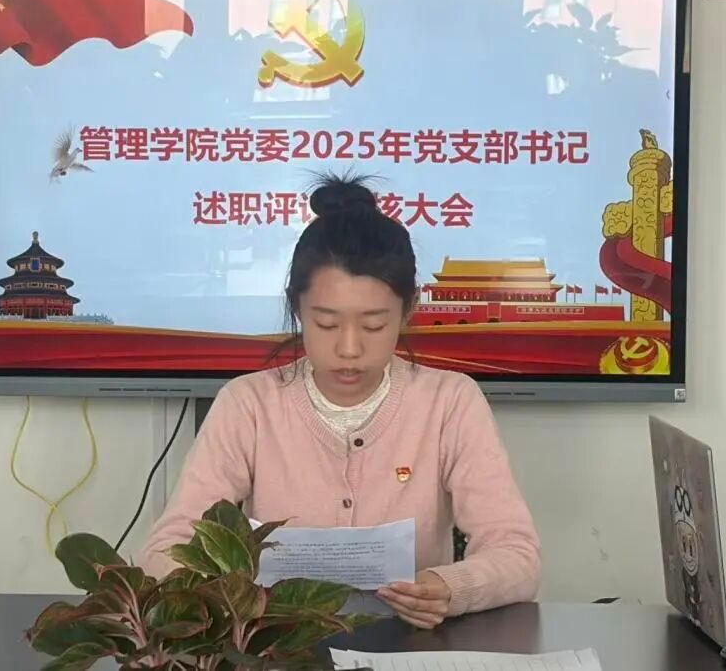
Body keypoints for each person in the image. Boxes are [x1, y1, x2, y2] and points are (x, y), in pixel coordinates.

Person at [139, 174, 540, 628]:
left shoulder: (449, 402)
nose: (349, 349)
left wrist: (450, 587)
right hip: (273, 647)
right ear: (297, 309)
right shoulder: (248, 404)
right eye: (326, 324)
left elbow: (517, 554)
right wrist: (224, 595)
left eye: (373, 325)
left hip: (410, 647)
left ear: (408, 310)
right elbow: (168, 548)